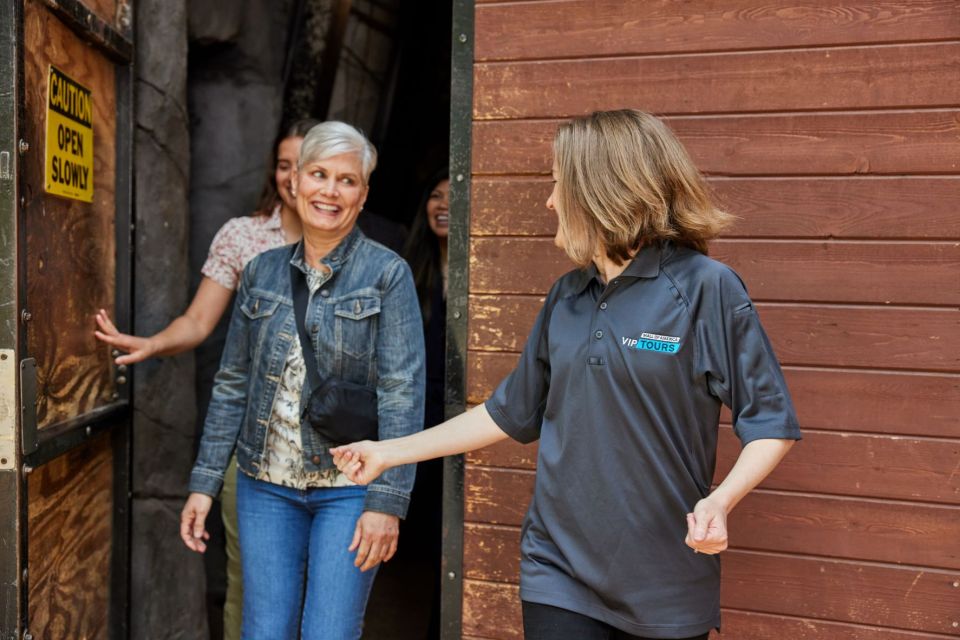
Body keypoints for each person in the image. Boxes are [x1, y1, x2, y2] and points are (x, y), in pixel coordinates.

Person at [332, 110, 801, 640]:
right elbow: (507, 412)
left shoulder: (704, 289)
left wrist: (720, 501)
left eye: (558, 184)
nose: (550, 201)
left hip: (665, 578)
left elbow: (770, 424)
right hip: (557, 568)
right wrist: (389, 451)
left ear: (601, 189)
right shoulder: (567, 296)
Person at [180, 121, 425, 640]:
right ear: (295, 183)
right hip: (264, 486)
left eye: (347, 180)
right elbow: (232, 384)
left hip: (350, 487)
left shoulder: (388, 273)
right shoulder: (261, 272)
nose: (330, 191)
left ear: (363, 193)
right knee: (264, 630)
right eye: (319, 174)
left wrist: (388, 502)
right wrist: (204, 482)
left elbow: (403, 392)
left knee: (330, 633)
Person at [95, 116, 320, 640]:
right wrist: (152, 342)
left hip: (336, 445)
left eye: (305, 165)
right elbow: (197, 322)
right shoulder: (243, 237)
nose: (292, 177)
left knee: (325, 588)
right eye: (283, 165)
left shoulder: (359, 247)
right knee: (253, 586)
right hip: (257, 444)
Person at [366, 170, 449, 638]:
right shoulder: (408, 269)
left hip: (457, 410)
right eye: (435, 195)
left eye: (454, 198)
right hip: (412, 406)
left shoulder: (479, 270)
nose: (442, 204)